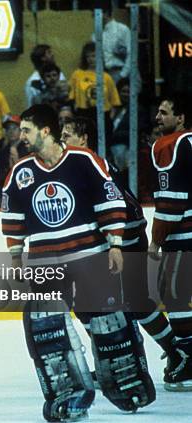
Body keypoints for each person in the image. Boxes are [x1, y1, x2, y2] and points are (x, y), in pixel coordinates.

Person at [1, 105, 155, 421]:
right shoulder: (20, 173)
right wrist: (16, 257)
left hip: (90, 260)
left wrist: (114, 245)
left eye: (27, 129)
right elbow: (12, 220)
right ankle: (70, 398)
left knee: (109, 326)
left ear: (45, 131)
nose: (22, 136)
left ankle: (127, 384)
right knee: (48, 334)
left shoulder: (84, 161)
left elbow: (111, 202)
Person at [61, 115, 177, 357]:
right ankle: (170, 351)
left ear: (83, 139)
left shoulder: (88, 165)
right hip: (127, 235)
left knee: (97, 303)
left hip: (126, 238)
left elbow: (115, 206)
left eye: (67, 136)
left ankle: (125, 357)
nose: (61, 141)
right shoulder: (88, 163)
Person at [149, 94, 192, 391]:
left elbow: (171, 203)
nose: (157, 117)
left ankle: (188, 358)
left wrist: (155, 241)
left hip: (184, 235)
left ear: (181, 119)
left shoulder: (170, 145)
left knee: (176, 295)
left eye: (164, 113)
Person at [68, 42, 121, 140]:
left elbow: (115, 101)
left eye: (93, 56)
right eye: (88, 56)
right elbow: (71, 97)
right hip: (84, 113)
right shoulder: (77, 75)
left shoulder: (106, 77)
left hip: (103, 115)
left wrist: (110, 118)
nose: (91, 59)